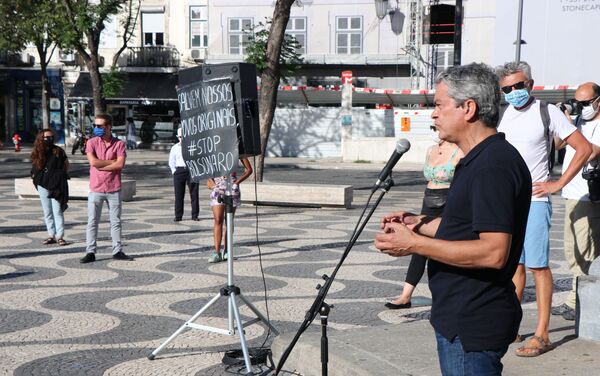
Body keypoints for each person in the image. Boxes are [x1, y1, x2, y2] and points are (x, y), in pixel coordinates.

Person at [374, 63, 532, 375]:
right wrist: (417, 223)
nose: (433, 114)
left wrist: (415, 244)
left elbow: (493, 252)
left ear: (468, 108)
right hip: (459, 315)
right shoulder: (476, 160)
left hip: (473, 320)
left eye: (439, 105)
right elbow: (464, 229)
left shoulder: (492, 166)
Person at [496, 61, 591, 356]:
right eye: (507, 89)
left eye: (518, 86)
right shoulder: (506, 115)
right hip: (508, 202)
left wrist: (558, 183)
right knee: (514, 266)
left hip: (535, 201)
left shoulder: (546, 111)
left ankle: (542, 334)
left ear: (531, 84)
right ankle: (512, 326)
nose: (513, 92)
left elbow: (584, 148)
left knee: (538, 266)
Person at [385, 126, 463, 309]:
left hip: (449, 199)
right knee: (418, 248)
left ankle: (449, 293)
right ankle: (405, 296)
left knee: (444, 247)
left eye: (437, 127)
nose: (436, 130)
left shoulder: (459, 150)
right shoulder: (431, 150)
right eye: (433, 127)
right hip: (429, 199)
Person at [552, 82, 600, 321]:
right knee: (573, 250)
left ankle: (576, 301)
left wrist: (574, 130)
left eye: (585, 103)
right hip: (572, 194)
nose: (581, 107)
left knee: (584, 250)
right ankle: (578, 298)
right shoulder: (578, 122)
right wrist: (566, 122)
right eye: (577, 102)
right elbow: (558, 144)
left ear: (598, 102)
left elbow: (590, 152)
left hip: (587, 196)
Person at [80, 114, 133, 263]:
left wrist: (103, 163)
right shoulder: (91, 142)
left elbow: (120, 165)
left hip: (114, 188)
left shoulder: (119, 144)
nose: (96, 128)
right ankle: (90, 251)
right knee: (92, 221)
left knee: (115, 221)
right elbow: (93, 163)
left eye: (100, 126)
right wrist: (112, 162)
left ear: (109, 127)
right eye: (95, 126)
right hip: (96, 188)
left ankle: (117, 250)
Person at [207, 158, 252, 263]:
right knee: (218, 219)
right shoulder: (213, 151)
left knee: (229, 221)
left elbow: (249, 170)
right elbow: (207, 172)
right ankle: (217, 252)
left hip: (232, 189)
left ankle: (227, 251)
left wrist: (237, 182)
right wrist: (212, 185)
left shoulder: (236, 150)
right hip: (217, 189)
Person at [30, 128, 69, 246]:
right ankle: (51, 234)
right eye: (47, 137)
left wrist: (59, 176)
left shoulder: (58, 151)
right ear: (41, 138)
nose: (49, 139)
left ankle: (60, 236)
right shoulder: (37, 151)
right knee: (47, 211)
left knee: (57, 211)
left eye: (51, 137)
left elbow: (66, 164)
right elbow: (35, 166)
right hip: (42, 184)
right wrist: (35, 177)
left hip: (56, 184)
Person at [168, 128, 199, 222]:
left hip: (191, 170)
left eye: (184, 137)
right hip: (179, 170)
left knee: (194, 194)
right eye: (180, 137)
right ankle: (178, 215)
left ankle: (195, 215)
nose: (182, 139)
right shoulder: (175, 148)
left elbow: (197, 158)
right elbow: (171, 161)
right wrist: (174, 171)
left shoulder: (193, 146)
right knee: (178, 195)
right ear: (178, 137)